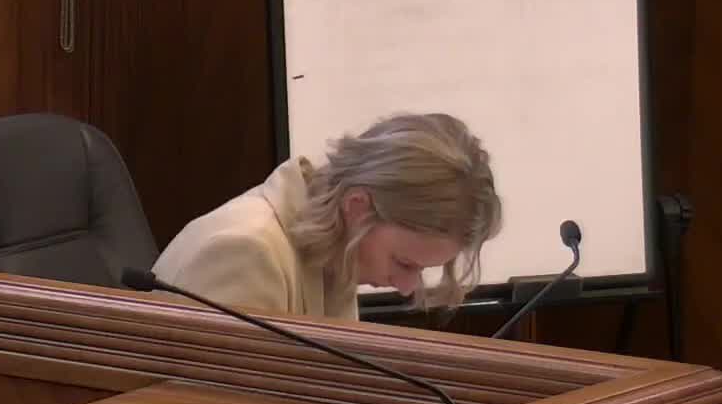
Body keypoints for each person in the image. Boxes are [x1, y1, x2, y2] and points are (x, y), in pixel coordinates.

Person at [150, 112, 502, 319]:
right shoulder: (246, 253)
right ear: (358, 207)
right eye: (405, 263)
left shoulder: (335, 250)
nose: (407, 287)